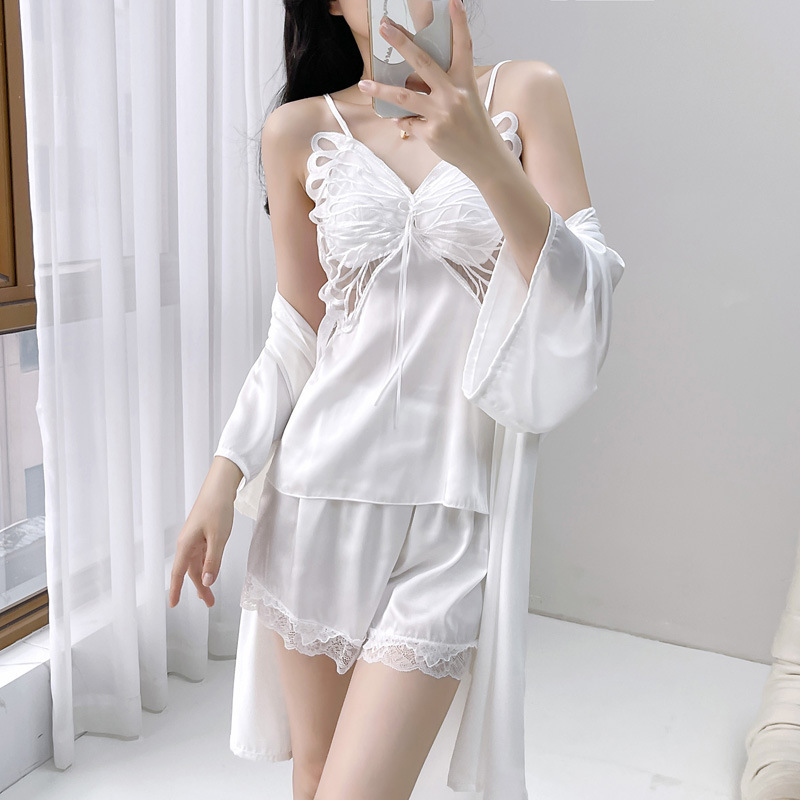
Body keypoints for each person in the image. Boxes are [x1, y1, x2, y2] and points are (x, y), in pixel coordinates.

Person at [169, 0, 626, 798]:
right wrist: (221, 478)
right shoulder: (297, 131)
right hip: (314, 502)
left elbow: (582, 306)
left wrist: (485, 158)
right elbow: (297, 333)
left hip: (452, 513)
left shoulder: (526, 94)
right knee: (316, 773)